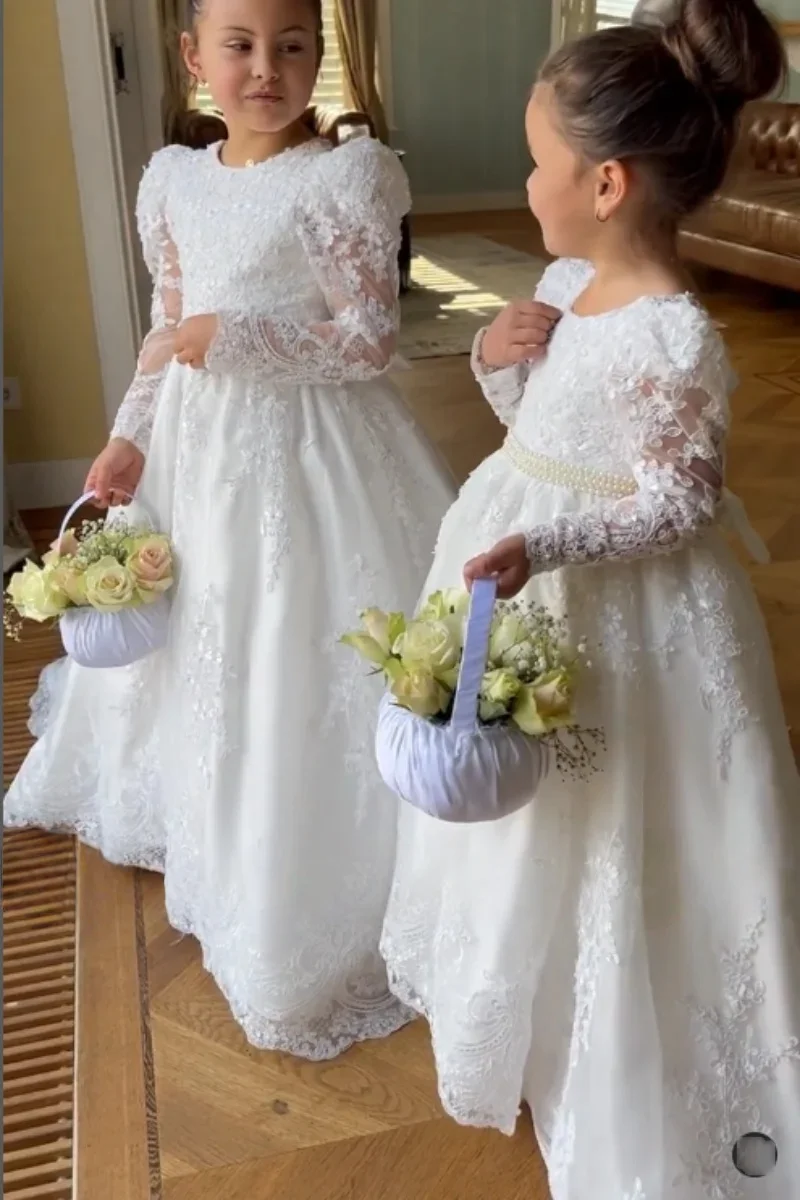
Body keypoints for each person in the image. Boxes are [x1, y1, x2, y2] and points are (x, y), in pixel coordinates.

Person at [380, 2, 800, 1195]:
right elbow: (546, 433)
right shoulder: (568, 280)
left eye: (534, 159)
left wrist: (546, 541)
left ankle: (627, 1020)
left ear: (605, 182)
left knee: (616, 804)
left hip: (623, 606)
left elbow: (674, 502)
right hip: (527, 553)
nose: (523, 178)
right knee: (529, 803)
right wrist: (495, 360)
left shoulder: (675, 338)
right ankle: (524, 983)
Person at [5, 0, 455, 1059]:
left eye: (293, 47)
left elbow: (367, 343)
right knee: (199, 632)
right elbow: (167, 332)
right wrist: (126, 441)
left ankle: (294, 858)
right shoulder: (172, 179)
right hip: (197, 453)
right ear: (192, 56)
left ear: (320, 55)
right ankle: (196, 811)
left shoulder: (348, 176)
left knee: (295, 640)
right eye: (241, 45)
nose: (267, 69)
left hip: (312, 458)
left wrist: (230, 333)